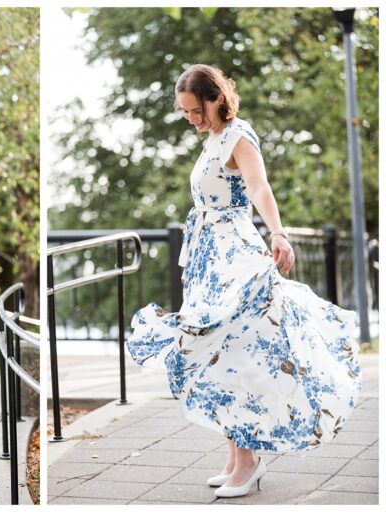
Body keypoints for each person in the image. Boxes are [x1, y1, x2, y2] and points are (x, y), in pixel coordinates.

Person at [126, 64, 362, 499]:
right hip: (209, 258)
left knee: (238, 351)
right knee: (219, 353)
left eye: (195, 109)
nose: (191, 118)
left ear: (218, 98)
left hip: (235, 255)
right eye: (185, 112)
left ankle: (249, 459)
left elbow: (259, 187)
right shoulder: (213, 139)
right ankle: (239, 456)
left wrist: (278, 232)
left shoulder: (238, 135)